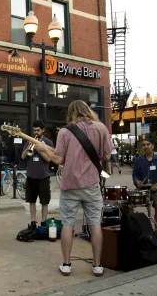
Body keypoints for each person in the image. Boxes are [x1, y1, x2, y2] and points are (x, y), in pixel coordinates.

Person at [35, 100, 113, 277]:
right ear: (87, 111)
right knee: (95, 224)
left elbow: (58, 160)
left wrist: (42, 149)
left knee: (68, 224)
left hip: (70, 184)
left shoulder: (65, 131)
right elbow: (107, 155)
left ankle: (66, 264)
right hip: (92, 183)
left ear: (71, 113)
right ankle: (97, 265)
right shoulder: (101, 128)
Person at [21, 120, 54, 230]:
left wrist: (39, 149)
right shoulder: (29, 141)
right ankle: (33, 222)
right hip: (31, 176)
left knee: (44, 201)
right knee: (31, 201)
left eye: (38, 130)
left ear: (43, 130)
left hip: (43, 177)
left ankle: (44, 222)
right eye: (34, 130)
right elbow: (23, 157)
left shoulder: (48, 142)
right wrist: (29, 147)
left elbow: (49, 159)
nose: (36, 132)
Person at [132, 137, 157, 230]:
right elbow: (135, 175)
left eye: (148, 144)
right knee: (128, 204)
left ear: (152, 146)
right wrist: (137, 181)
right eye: (144, 145)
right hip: (142, 189)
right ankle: (133, 230)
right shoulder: (138, 160)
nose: (146, 146)